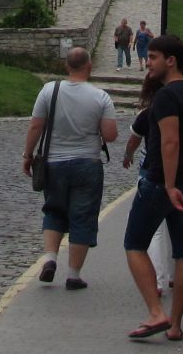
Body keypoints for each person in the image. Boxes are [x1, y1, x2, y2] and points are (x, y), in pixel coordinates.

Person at [122, 33, 183, 343]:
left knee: (134, 244)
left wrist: (169, 185)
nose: (148, 63)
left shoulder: (166, 96)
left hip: (161, 184)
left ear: (171, 61)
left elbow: (170, 141)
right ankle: (176, 324)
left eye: (153, 57)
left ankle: (156, 312)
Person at [23, 46, 118, 291]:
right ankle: (74, 275)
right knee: (83, 216)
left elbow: (35, 126)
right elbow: (110, 134)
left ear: (67, 66)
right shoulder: (101, 97)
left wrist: (27, 155)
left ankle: (50, 259)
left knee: (54, 209)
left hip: (54, 162)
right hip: (87, 163)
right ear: (89, 66)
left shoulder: (49, 90)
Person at [121, 70, 173, 293]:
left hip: (153, 173)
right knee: (175, 226)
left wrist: (128, 155)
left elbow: (134, 140)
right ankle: (172, 273)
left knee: (156, 230)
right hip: (181, 173)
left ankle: (159, 279)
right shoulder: (179, 110)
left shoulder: (147, 114)